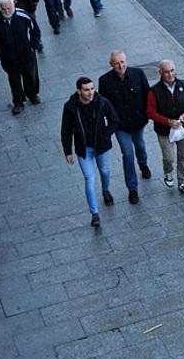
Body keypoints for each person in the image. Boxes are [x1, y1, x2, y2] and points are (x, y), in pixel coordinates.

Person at [61, 76, 120, 228]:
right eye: (86, 90)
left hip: (100, 145)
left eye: (92, 89)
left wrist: (105, 134)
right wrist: (67, 151)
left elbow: (114, 120)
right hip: (84, 148)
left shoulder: (102, 102)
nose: (90, 92)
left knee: (105, 171)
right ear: (79, 91)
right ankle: (94, 214)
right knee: (89, 178)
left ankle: (106, 190)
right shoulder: (70, 107)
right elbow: (66, 131)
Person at [98, 51, 153, 203]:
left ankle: (143, 164)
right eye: (117, 63)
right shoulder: (104, 81)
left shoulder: (138, 74)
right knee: (128, 154)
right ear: (111, 65)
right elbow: (104, 105)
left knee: (140, 145)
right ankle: (132, 188)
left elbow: (147, 95)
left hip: (138, 121)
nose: (120, 66)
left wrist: (146, 115)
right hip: (121, 126)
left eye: (122, 62)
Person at [146, 59, 184, 194]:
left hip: (183, 127)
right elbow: (150, 112)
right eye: (166, 72)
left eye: (172, 71)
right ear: (161, 73)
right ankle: (168, 172)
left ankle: (182, 181)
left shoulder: (183, 85)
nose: (170, 74)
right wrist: (167, 121)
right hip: (165, 130)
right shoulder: (154, 91)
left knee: (183, 155)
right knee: (169, 157)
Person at [0, 0, 41, 115]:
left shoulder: (24, 16)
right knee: (14, 80)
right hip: (8, 57)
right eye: (4, 9)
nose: (6, 11)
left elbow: (35, 30)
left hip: (26, 54)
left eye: (9, 8)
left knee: (30, 75)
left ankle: (32, 94)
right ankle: (18, 102)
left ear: (14, 7)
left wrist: (33, 45)